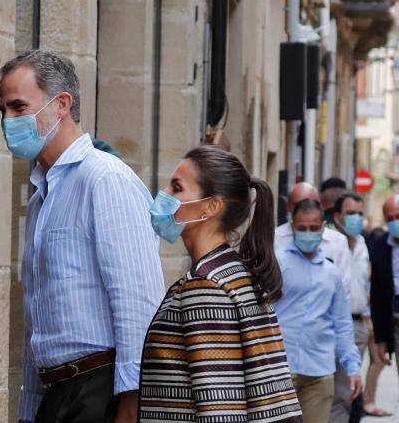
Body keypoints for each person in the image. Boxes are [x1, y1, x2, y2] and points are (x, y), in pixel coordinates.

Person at [0, 50, 164, 423]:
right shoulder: (44, 192)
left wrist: (132, 405)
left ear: (61, 105)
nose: (8, 121)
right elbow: (41, 315)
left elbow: (137, 301)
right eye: (2, 110)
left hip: (98, 389)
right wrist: (30, 408)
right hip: (58, 394)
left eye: (19, 107)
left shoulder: (105, 179)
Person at [138, 145, 303, 422]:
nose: (164, 193)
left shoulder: (206, 286)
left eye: (177, 187)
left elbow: (219, 407)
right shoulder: (233, 273)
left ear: (211, 206)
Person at [274, 199, 362, 423]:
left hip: (319, 371)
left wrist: (353, 368)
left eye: (313, 228)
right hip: (281, 369)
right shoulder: (278, 263)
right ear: (293, 226)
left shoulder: (332, 273)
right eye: (302, 228)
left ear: (322, 227)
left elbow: (342, 323)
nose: (308, 233)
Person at [329, 193, 371, 423]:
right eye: (350, 213)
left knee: (348, 390)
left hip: (358, 324)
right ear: (338, 216)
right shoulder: (331, 244)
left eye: (360, 214)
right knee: (332, 392)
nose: (356, 218)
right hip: (334, 325)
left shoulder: (364, 245)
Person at [275, 182, 352, 296]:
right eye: (299, 205)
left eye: (312, 203)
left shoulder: (338, 241)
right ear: (289, 207)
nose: (306, 209)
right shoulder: (274, 238)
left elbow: (344, 288)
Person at [369, 194, 399, 389]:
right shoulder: (380, 246)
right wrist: (381, 339)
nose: (395, 221)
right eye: (390, 218)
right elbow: (378, 297)